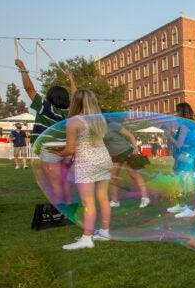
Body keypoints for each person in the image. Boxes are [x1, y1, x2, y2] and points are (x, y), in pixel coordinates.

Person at [52, 90, 113, 250]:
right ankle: (105, 232)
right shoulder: (99, 119)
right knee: (103, 197)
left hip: (86, 162)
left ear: (75, 103)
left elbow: (70, 150)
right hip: (103, 160)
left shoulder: (73, 122)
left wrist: (59, 152)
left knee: (88, 202)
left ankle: (87, 238)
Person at [16, 59, 76, 205]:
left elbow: (30, 90)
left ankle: (60, 211)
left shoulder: (46, 108)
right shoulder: (70, 111)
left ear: (50, 97)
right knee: (64, 181)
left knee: (54, 183)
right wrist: (72, 80)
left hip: (51, 149)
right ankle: (69, 206)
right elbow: (75, 96)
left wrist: (23, 69)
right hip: (67, 149)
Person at [165, 102, 195, 218]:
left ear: (182, 112)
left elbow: (179, 144)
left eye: (177, 111)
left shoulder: (185, 126)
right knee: (182, 182)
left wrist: (169, 136)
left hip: (186, 156)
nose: (175, 114)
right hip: (187, 156)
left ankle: (191, 209)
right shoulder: (191, 125)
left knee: (187, 183)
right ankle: (183, 205)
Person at [104, 115, 150, 209]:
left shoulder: (113, 125)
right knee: (113, 178)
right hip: (115, 157)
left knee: (134, 175)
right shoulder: (99, 129)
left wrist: (136, 149)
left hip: (126, 153)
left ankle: (145, 197)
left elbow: (130, 135)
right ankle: (115, 201)